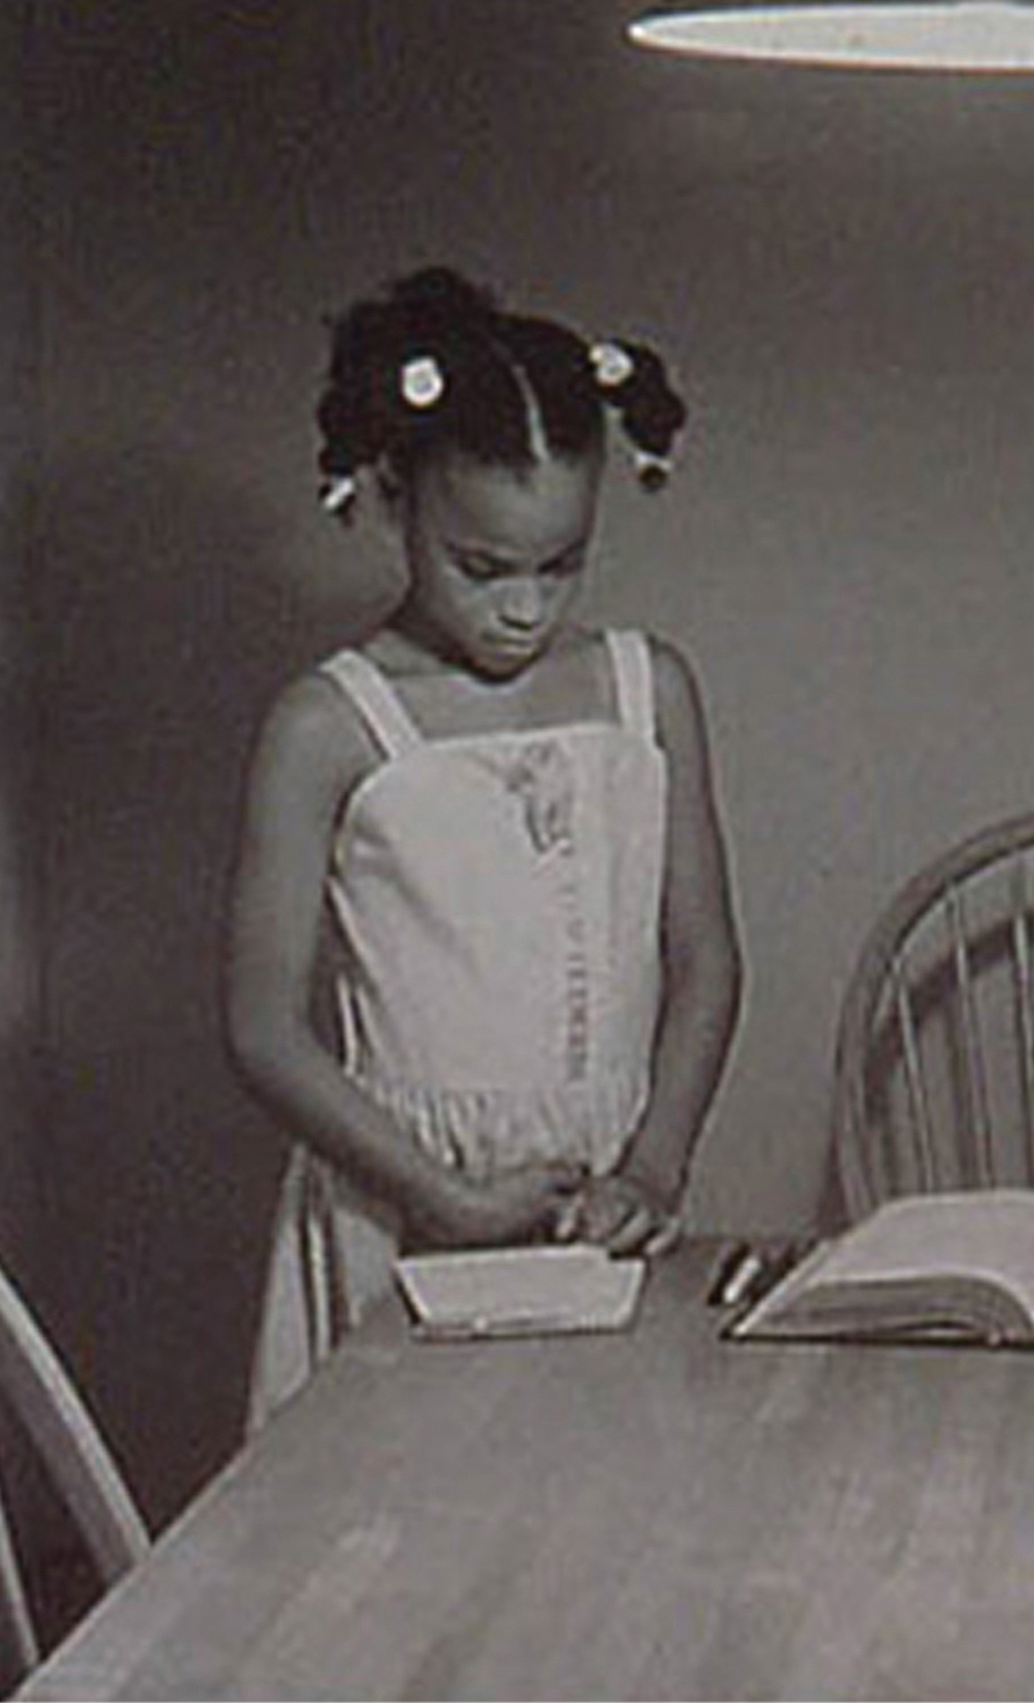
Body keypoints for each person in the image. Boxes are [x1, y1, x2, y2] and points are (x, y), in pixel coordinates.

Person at [228, 266, 744, 1426]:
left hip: (597, 1201)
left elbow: (705, 957)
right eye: (484, 567)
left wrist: (656, 1163)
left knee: (590, 1522)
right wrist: (442, 1196)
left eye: (560, 566)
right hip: (398, 1201)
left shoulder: (646, 691)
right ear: (396, 491)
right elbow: (260, 1026)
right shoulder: (328, 724)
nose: (524, 608)